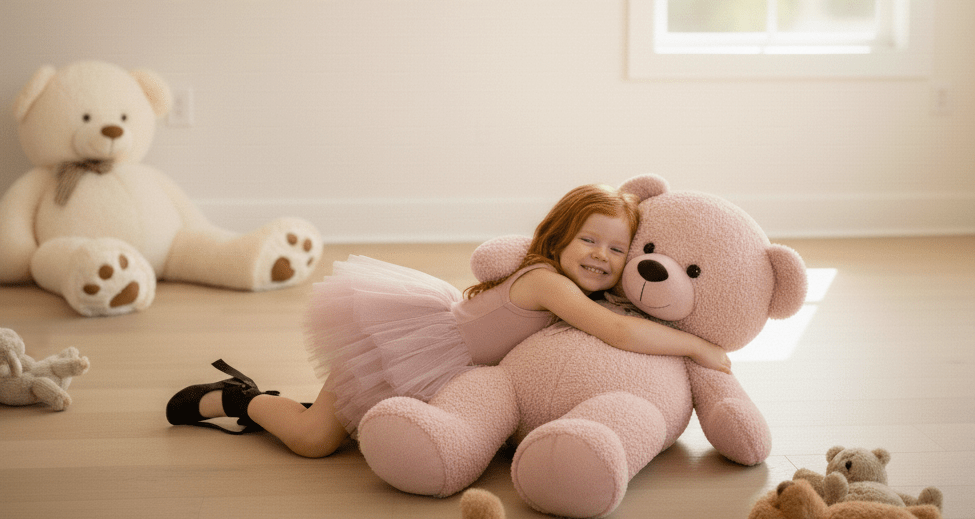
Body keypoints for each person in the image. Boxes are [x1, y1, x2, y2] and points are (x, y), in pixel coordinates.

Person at [166, 183, 731, 457]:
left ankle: (292, 405)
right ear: (558, 237)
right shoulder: (545, 282)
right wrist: (698, 347)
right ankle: (240, 398)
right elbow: (619, 333)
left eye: (617, 250)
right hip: (410, 345)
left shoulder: (580, 288)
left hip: (448, 371)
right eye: (589, 240)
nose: (601, 257)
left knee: (343, 428)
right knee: (317, 442)